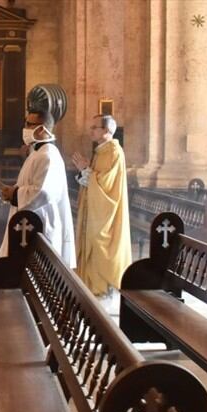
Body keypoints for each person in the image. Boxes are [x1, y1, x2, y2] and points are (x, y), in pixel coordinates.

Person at [0, 109, 75, 267]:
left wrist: (15, 194)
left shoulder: (48, 156)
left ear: (41, 129)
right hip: (31, 220)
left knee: (38, 268)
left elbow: (43, 192)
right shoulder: (37, 153)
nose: (25, 128)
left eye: (29, 124)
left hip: (41, 222)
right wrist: (13, 192)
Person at [70, 114, 132, 297]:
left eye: (94, 127)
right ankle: (90, 287)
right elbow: (94, 179)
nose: (90, 131)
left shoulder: (114, 152)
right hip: (95, 211)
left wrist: (84, 169)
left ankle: (103, 288)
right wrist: (85, 171)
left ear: (106, 130)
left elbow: (105, 185)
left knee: (100, 247)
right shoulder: (101, 151)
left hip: (105, 214)